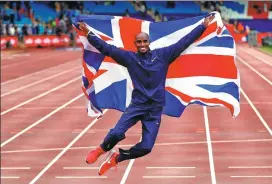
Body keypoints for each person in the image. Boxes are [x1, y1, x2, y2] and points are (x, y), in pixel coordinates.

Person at [77, 14, 215, 176]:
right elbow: (107, 49)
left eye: (145, 41)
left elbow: (184, 42)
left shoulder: (163, 55)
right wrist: (89, 34)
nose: (142, 44)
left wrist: (203, 26)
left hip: (154, 109)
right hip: (138, 105)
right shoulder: (130, 58)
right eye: (139, 42)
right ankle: (100, 149)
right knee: (116, 133)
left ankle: (117, 158)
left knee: (146, 147)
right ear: (135, 44)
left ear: (149, 43)